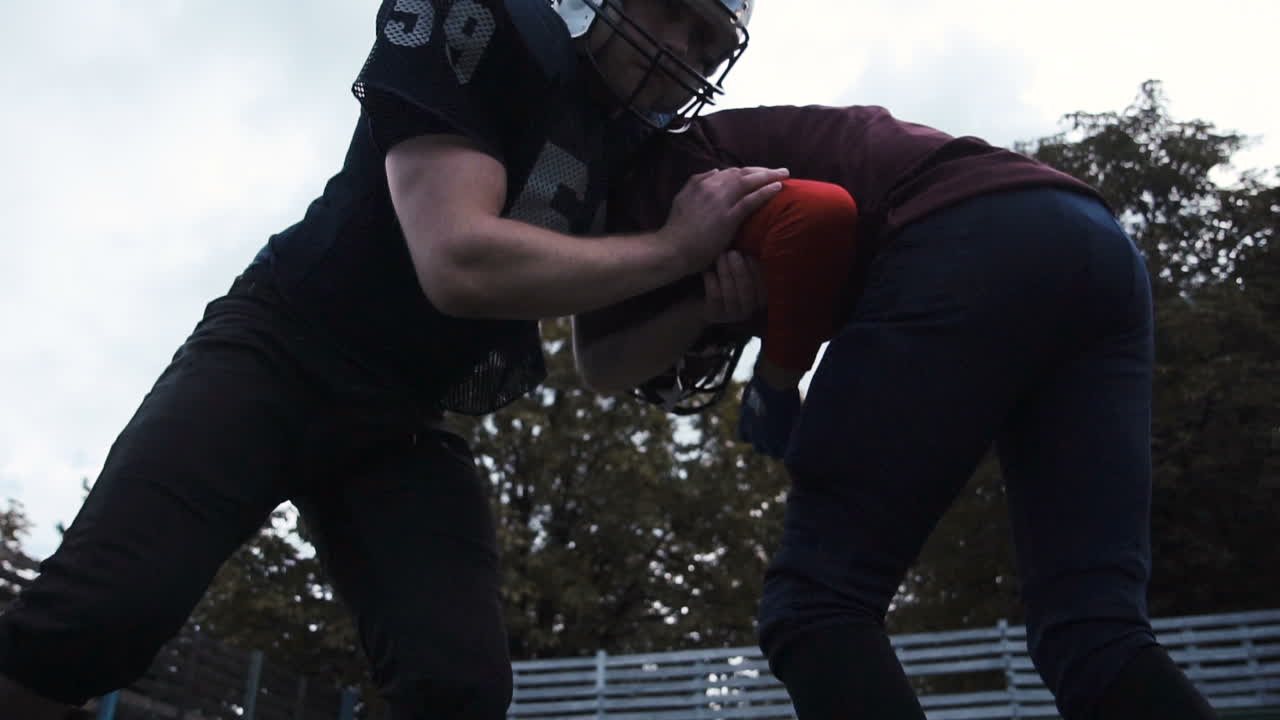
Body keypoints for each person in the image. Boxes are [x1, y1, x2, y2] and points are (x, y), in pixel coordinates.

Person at [0, 1, 786, 718]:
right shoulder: (482, 19)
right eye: (672, 12)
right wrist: (671, 249)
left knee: (459, 689)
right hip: (284, 349)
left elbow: (604, 365)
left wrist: (697, 292)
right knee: (97, 618)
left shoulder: (637, 146)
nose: (682, 49)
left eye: (709, 42)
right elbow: (457, 260)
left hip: (402, 417)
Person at [574, 103, 1219, 720]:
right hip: (1094, 241)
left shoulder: (661, 180)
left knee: (818, 603)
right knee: (1095, 629)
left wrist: (775, 379)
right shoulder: (749, 168)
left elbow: (818, 216)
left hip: (969, 234)